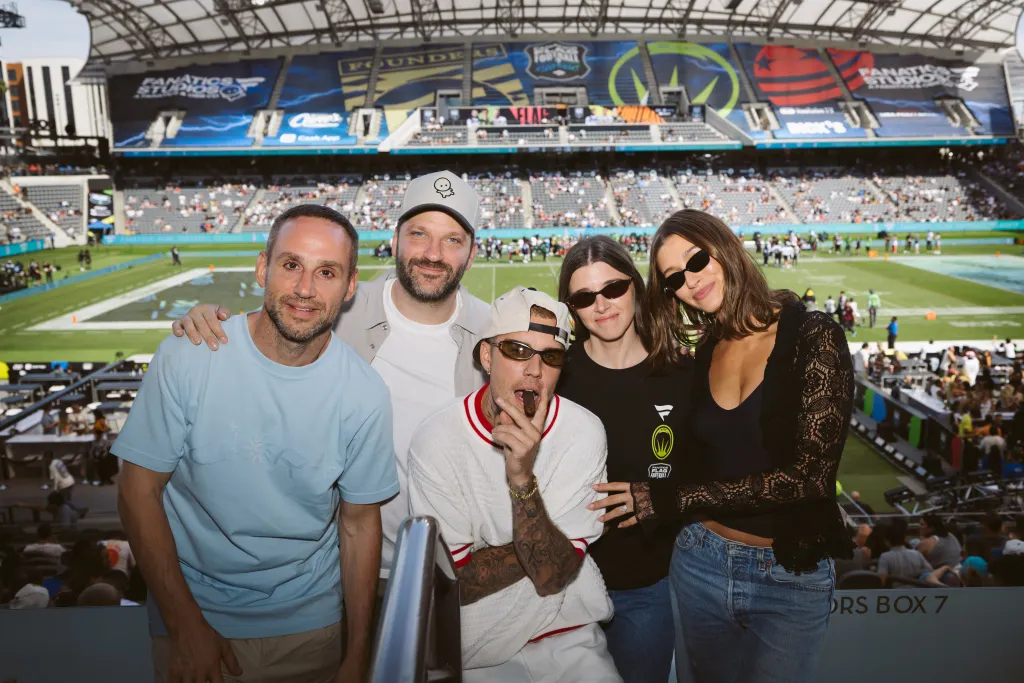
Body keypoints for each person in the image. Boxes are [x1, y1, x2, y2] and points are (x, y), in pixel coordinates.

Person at [115, 204, 399, 683]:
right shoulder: (188, 357)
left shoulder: (365, 394)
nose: (306, 289)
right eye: (291, 265)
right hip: (192, 616)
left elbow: (358, 528)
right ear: (263, 268)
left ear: (350, 287)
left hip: (313, 628)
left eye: (326, 272)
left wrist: (357, 655)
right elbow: (136, 492)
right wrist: (186, 628)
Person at [170, 171, 490, 582]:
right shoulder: (336, 309)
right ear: (394, 240)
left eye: (452, 240)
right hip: (344, 568)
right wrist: (203, 320)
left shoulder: (494, 332)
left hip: (455, 569)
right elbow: (271, 323)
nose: (432, 253)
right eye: (418, 234)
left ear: (472, 252)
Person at [592, 209, 854, 683]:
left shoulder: (813, 335)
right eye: (674, 279)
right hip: (699, 560)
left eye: (696, 261)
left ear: (724, 246)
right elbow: (695, 459)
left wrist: (668, 500)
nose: (690, 281)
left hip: (789, 577)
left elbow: (809, 478)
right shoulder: (708, 347)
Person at [407, 287, 619, 682]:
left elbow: (551, 575)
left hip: (568, 633)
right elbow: (453, 583)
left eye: (551, 356)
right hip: (477, 647)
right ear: (487, 356)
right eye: (518, 351)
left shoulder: (583, 431)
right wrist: (552, 544)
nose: (534, 370)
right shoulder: (436, 439)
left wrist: (522, 477)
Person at [556, 236, 691, 683]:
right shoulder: (558, 378)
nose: (602, 305)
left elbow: (709, 472)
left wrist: (656, 497)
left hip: (648, 586)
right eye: (584, 297)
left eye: (613, 288)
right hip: (564, 588)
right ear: (571, 308)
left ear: (635, 285)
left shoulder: (683, 373)